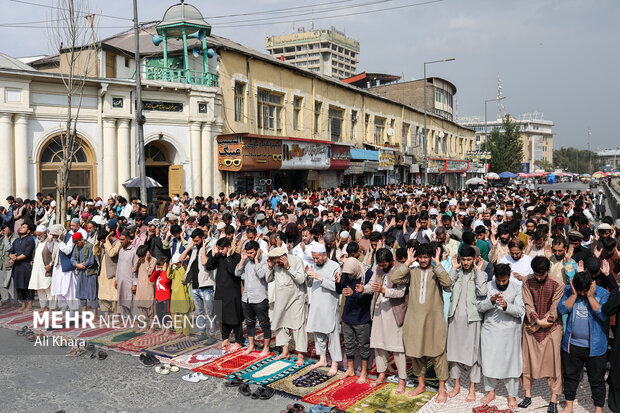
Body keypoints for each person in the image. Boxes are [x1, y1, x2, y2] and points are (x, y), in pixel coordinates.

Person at [391, 243, 451, 402]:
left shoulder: (436, 272)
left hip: (433, 321)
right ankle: (421, 384)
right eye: (421, 257)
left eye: (426, 257)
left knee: (438, 353)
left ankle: (442, 388)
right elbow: (395, 278)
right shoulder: (413, 272)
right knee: (416, 353)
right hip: (415, 320)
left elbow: (447, 284)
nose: (423, 260)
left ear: (431, 257)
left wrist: (438, 264)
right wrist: (407, 263)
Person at [356, 248, 408, 394]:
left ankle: (402, 380)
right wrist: (363, 289)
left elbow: (401, 292)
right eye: (380, 265)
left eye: (384, 265)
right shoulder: (378, 268)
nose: (382, 267)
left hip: (394, 311)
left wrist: (384, 291)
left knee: (398, 348)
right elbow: (372, 286)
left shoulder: (400, 269)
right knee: (379, 344)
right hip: (379, 310)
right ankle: (381, 375)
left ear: (391, 260)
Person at [558, 271, 609, 413]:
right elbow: (561, 309)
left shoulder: (602, 293)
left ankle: (598, 409)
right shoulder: (570, 290)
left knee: (597, 380)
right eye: (578, 291)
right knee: (570, 376)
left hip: (596, 347)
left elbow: (604, 315)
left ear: (591, 285)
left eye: (583, 291)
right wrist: (573, 295)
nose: (581, 294)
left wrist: (590, 296)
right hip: (572, 344)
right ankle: (569, 406)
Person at [519, 256, 564, 413]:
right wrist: (537, 322)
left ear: (548, 270)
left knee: (554, 364)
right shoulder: (526, 281)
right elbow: (528, 304)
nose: (538, 278)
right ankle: (527, 395)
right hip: (532, 325)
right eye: (536, 274)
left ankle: (554, 399)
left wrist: (540, 325)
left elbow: (555, 308)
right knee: (527, 361)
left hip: (551, 328)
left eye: (541, 275)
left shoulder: (558, 283)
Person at [477, 263, 524, 409]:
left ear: (509, 276)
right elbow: (479, 306)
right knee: (489, 362)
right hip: (490, 330)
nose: (501, 283)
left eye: (504, 280)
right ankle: (490, 392)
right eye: (499, 280)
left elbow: (521, 310)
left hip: (510, 332)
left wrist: (506, 306)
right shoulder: (489, 286)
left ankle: (511, 395)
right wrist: (490, 301)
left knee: (511, 364)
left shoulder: (517, 288)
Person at [446, 246, 487, 402]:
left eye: (469, 259)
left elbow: (483, 293)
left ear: (474, 259)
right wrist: (453, 268)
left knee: (474, 355)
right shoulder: (456, 273)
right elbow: (447, 286)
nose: (465, 263)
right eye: (463, 259)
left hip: (473, 319)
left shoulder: (480, 274)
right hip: (455, 318)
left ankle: (472, 388)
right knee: (454, 353)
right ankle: (456, 385)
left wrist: (478, 271)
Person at [337, 244, 373, 383]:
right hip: (348, 314)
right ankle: (350, 369)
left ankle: (364, 371)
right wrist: (338, 282)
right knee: (349, 343)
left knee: (364, 345)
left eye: (352, 275)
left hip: (361, 316)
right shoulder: (347, 271)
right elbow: (341, 290)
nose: (350, 277)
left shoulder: (367, 274)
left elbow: (369, 296)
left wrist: (355, 294)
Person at [267, 246, 308, 366]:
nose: (275, 263)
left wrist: (288, 267)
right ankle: (285, 352)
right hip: (281, 300)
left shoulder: (296, 261)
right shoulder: (275, 265)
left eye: (276, 261)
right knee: (281, 325)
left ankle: (300, 356)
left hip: (296, 299)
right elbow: (268, 279)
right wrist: (270, 268)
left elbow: (301, 280)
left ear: (283, 257)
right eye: (273, 261)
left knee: (298, 327)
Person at [305, 243, 342, 376]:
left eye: (317, 258)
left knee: (332, 335)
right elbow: (309, 284)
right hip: (316, 304)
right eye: (314, 258)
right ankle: (322, 359)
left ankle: (335, 363)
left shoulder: (335, 266)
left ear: (324, 255)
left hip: (329, 305)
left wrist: (319, 277)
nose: (315, 261)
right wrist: (308, 276)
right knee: (318, 333)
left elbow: (337, 287)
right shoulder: (314, 265)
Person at [205, 237, 243, 351]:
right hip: (220, 290)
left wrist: (227, 258)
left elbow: (233, 270)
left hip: (232, 292)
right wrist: (213, 254)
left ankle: (238, 341)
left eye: (222, 249)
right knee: (222, 316)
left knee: (235, 317)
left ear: (229, 247)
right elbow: (208, 266)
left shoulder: (236, 257)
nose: (221, 251)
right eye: (219, 249)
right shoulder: (218, 256)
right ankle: (225, 338)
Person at [235, 240, 271, 357]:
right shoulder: (246, 260)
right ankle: (251, 345)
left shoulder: (265, 260)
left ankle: (266, 348)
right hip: (247, 297)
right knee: (249, 323)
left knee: (264, 323)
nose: (249, 255)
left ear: (257, 251)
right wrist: (242, 259)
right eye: (248, 253)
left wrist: (256, 260)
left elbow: (262, 275)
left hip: (260, 297)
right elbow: (237, 272)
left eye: (251, 253)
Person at [93, 230, 121, 322]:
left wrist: (107, 241)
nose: (102, 242)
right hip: (103, 274)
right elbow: (96, 253)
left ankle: (117, 317)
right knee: (103, 295)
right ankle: (106, 316)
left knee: (115, 296)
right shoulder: (103, 243)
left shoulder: (117, 243)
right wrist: (97, 244)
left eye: (103, 240)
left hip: (113, 273)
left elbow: (112, 253)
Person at [71, 231, 98, 317]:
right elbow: (72, 259)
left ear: (82, 239)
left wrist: (83, 265)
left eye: (78, 242)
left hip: (90, 273)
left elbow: (91, 260)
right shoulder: (76, 247)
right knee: (81, 293)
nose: (77, 244)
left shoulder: (90, 246)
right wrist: (76, 264)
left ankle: (95, 315)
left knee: (92, 293)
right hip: (81, 273)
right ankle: (84, 314)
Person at [28, 225, 54, 312]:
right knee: (39, 288)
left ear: (45, 234)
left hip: (46, 270)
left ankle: (52, 307)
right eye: (37, 235)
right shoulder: (38, 242)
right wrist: (33, 261)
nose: (38, 237)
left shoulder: (50, 242)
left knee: (48, 289)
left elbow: (54, 256)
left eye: (39, 235)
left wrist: (50, 265)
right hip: (37, 269)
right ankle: (43, 306)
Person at [9, 223, 35, 311]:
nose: (21, 228)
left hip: (26, 265)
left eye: (23, 227)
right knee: (18, 285)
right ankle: (23, 304)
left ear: (28, 231)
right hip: (17, 266)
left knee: (28, 285)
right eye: (21, 226)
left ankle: (30, 304)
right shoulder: (16, 240)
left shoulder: (30, 239)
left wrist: (14, 259)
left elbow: (26, 254)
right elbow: (11, 251)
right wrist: (11, 256)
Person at [168, 253, 193, 337]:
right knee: (174, 314)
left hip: (183, 295)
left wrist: (182, 267)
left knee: (184, 315)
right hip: (174, 295)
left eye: (177, 264)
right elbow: (169, 276)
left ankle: (186, 333)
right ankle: (178, 331)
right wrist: (170, 267)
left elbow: (184, 279)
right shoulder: (175, 269)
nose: (176, 265)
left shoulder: (185, 269)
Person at [133, 244, 157, 333]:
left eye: (141, 256)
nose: (141, 258)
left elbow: (149, 272)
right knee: (141, 308)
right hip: (140, 287)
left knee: (151, 308)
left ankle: (152, 327)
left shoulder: (153, 260)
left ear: (147, 253)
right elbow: (133, 270)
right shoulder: (140, 261)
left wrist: (146, 260)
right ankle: (145, 326)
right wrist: (137, 261)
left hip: (149, 287)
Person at [116, 231, 137, 318]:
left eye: (123, 240)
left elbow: (135, 269)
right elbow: (118, 265)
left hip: (130, 281)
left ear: (128, 240)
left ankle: (136, 322)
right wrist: (116, 279)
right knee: (122, 301)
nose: (121, 241)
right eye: (120, 240)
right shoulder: (121, 250)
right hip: (121, 281)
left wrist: (135, 283)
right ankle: (126, 321)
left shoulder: (134, 251)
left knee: (131, 303)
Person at [149, 256, 172, 337]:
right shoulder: (158, 273)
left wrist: (165, 270)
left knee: (166, 314)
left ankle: (168, 329)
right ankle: (163, 329)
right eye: (159, 266)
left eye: (161, 266)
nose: (160, 268)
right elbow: (151, 279)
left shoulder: (168, 272)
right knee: (159, 314)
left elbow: (166, 281)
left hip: (166, 297)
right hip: (158, 297)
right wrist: (156, 271)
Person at [0, 224, 18, 308]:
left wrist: (6, 237)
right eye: (3, 230)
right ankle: (5, 300)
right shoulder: (2, 238)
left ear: (10, 229)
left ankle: (14, 302)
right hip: (1, 264)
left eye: (6, 229)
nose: (5, 231)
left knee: (10, 284)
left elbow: (9, 249)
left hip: (10, 264)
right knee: (2, 284)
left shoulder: (15, 238)